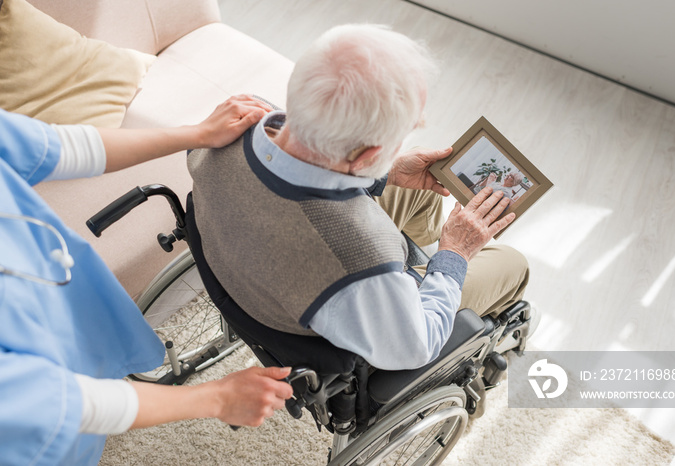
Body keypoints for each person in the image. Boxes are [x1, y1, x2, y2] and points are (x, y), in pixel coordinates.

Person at [188, 24, 530, 372]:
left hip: (257, 248)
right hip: (328, 289)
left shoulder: (231, 124)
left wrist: (386, 172)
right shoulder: (362, 255)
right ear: (364, 157)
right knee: (512, 263)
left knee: (422, 198)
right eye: (408, 129)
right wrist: (455, 252)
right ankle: (424, 273)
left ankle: (421, 258)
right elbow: (416, 346)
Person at [0, 96, 293, 465]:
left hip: (51, 300)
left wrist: (198, 133)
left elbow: (54, 147)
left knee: (85, 397)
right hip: (23, 431)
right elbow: (53, 401)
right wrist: (217, 398)